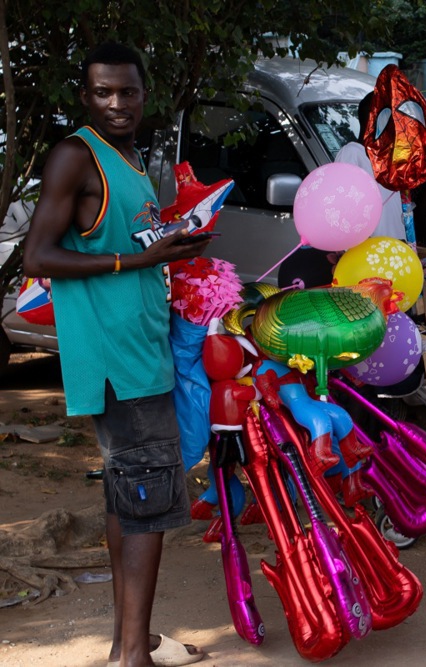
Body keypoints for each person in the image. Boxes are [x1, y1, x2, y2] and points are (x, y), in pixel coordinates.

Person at [22, 43, 207, 667]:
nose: (117, 103)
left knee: (131, 499)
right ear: (84, 96)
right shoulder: (76, 154)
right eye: (103, 92)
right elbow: (37, 257)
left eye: (127, 92)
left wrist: (170, 243)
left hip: (140, 352)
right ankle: (134, 657)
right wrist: (138, 259)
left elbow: (124, 241)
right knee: (150, 505)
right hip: (117, 364)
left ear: (143, 94)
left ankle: (126, 643)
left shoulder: (125, 159)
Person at [334, 91, 406, 240]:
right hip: (371, 255)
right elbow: (346, 214)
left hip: (393, 253)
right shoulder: (352, 154)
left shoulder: (386, 163)